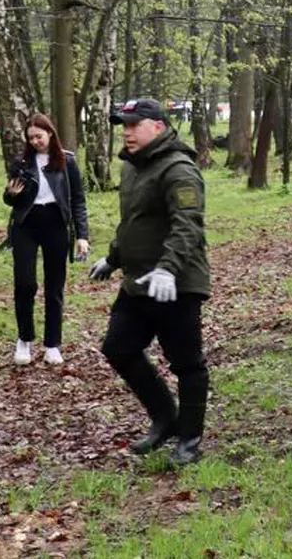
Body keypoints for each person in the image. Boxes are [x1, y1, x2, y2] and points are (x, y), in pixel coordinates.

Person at [88, 98, 211, 466]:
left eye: (133, 125)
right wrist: (112, 259)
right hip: (138, 281)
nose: (126, 132)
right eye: (123, 125)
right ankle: (165, 418)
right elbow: (134, 223)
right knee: (118, 348)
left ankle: (189, 438)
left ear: (157, 126)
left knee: (186, 363)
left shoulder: (179, 169)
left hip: (176, 283)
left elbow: (187, 223)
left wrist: (168, 269)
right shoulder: (133, 168)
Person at [2, 114, 90, 366]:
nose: (35, 141)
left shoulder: (67, 160)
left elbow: (78, 200)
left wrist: (82, 235)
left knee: (54, 287)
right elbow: (10, 199)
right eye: (31, 138)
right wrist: (10, 194)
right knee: (25, 283)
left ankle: (53, 344)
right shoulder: (21, 162)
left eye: (39, 136)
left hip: (55, 224)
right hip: (26, 225)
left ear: (50, 133)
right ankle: (24, 339)